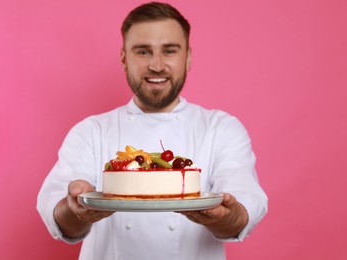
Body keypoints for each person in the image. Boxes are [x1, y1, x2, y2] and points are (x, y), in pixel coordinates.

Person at [37, 2, 268, 260]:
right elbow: (56, 211)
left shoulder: (221, 129)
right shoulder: (90, 132)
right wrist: (74, 210)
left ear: (188, 57)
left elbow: (245, 205)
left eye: (169, 50)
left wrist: (225, 216)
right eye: (143, 51)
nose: (157, 65)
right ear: (124, 59)